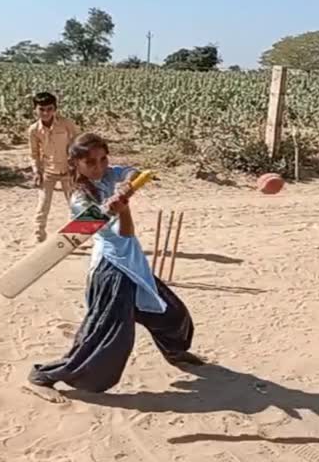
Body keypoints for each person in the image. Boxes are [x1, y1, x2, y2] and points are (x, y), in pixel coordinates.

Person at [23, 133, 204, 404]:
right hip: (111, 271)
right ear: (76, 164)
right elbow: (125, 233)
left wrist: (127, 184)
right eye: (91, 162)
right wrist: (122, 208)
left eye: (103, 159)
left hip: (132, 264)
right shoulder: (81, 201)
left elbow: (133, 172)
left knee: (172, 314)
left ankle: (175, 352)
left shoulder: (109, 175)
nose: (99, 167)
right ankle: (43, 376)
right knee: (105, 340)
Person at [28, 92, 79, 243]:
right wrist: (37, 172)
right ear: (35, 110)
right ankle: (39, 237)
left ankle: (72, 237)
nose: (46, 113)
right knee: (43, 206)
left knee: (74, 205)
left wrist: (77, 167)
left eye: (49, 109)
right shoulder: (33, 130)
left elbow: (78, 143)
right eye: (41, 109)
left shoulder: (66, 124)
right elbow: (33, 153)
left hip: (68, 171)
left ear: (55, 109)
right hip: (47, 172)